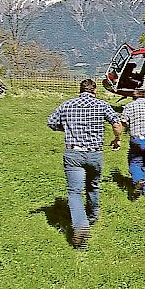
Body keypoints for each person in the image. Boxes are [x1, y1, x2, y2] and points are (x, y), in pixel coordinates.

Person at [47, 79, 122, 249]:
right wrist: (117, 140)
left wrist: (65, 128)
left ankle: (80, 225)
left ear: (80, 90)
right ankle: (93, 217)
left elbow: (51, 122)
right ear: (94, 90)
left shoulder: (66, 105)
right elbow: (116, 124)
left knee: (74, 192)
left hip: (73, 153)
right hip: (95, 153)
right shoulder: (102, 105)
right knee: (93, 186)